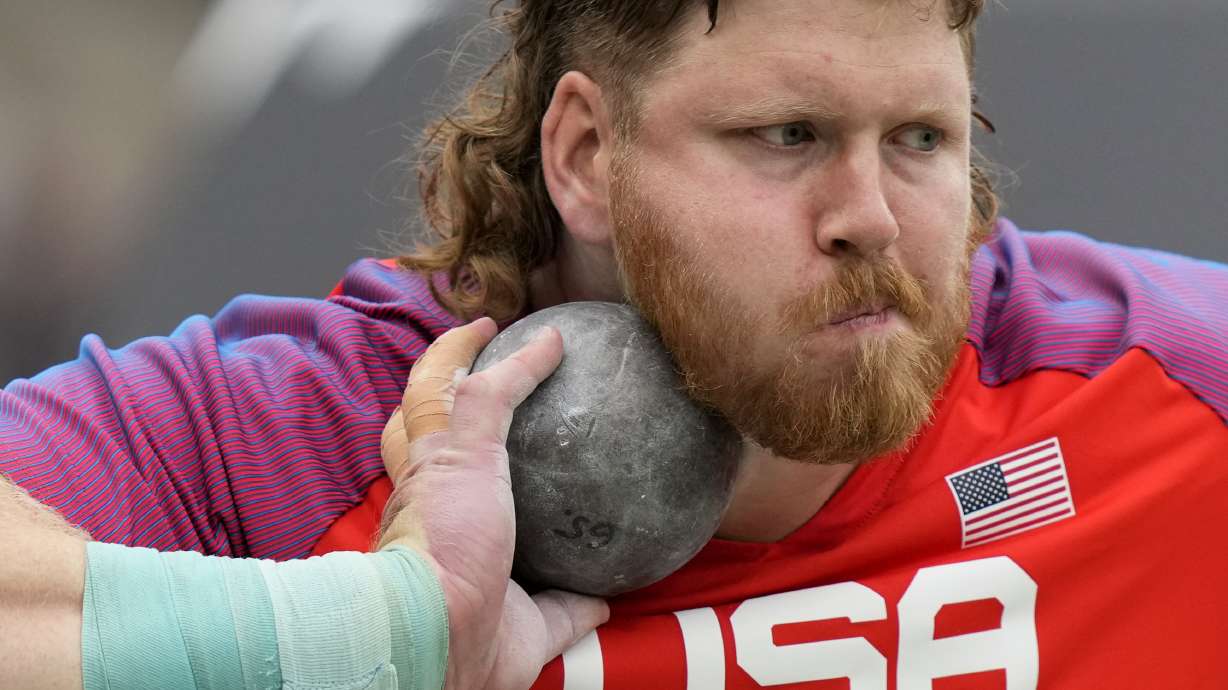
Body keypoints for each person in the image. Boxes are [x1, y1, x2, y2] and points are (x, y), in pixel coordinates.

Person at [3, 0, 1227, 688]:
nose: (871, 219)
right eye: (786, 134)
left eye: (919, 139)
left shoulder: (1160, 386)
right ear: (586, 154)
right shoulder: (340, 433)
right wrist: (370, 633)